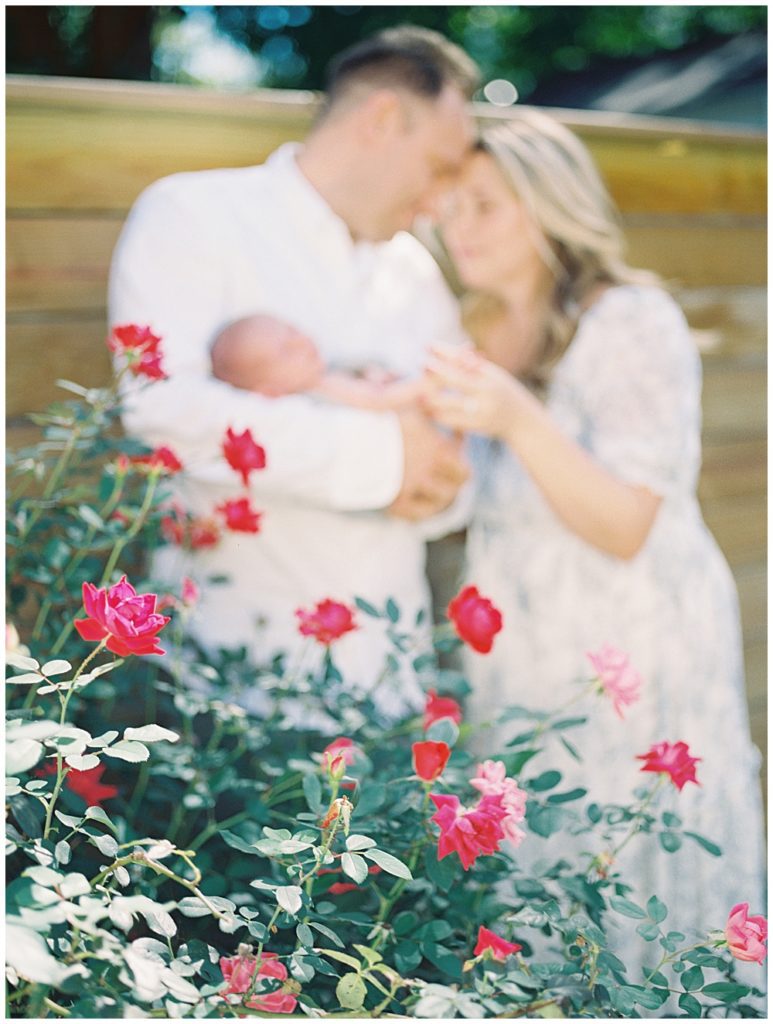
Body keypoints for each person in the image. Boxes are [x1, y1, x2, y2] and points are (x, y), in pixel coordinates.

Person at [422, 110, 765, 976]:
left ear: (549, 207)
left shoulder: (633, 320)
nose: (456, 226)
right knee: (538, 875)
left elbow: (624, 524)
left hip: (637, 646)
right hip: (525, 656)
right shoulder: (469, 330)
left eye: (484, 205)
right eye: (448, 206)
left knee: (642, 868)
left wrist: (515, 414)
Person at [108, 26, 479, 718]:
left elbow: (462, 444)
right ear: (382, 119)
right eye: (437, 165)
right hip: (235, 674)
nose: (437, 202)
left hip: (390, 675)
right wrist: (390, 459)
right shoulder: (192, 215)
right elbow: (164, 408)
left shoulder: (413, 270)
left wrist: (443, 490)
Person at [210, 312, 424, 410]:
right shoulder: (321, 390)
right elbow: (378, 399)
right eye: (287, 351)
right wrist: (428, 383)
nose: (302, 342)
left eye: (293, 330)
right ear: (270, 392)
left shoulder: (327, 371)